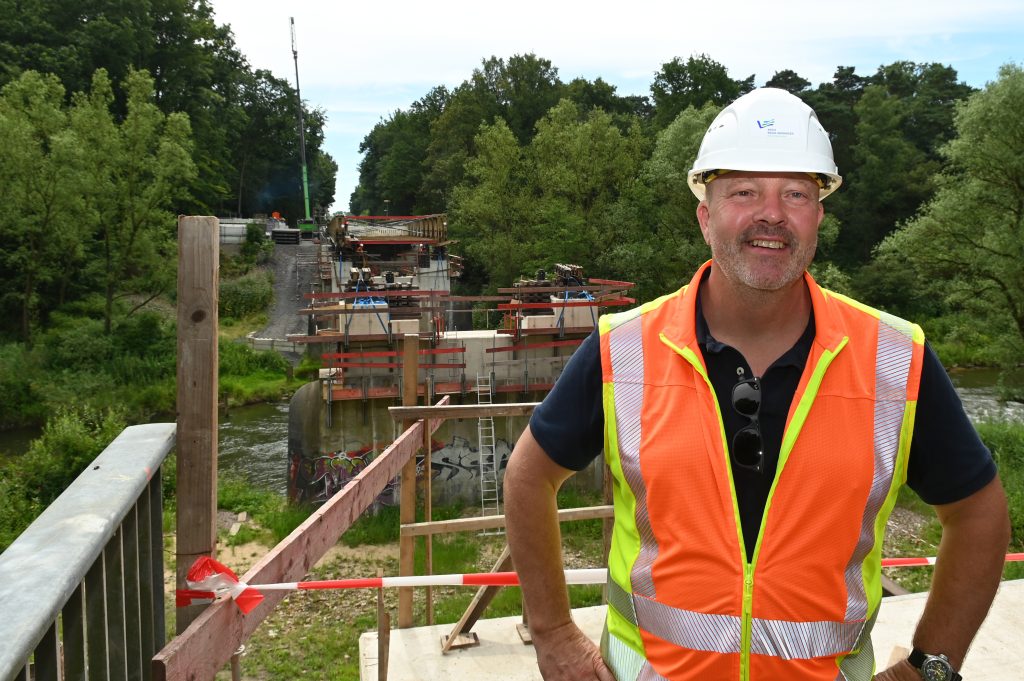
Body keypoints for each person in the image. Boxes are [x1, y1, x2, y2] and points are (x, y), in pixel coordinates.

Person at [503, 88, 1010, 681]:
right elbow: (528, 475)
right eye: (744, 192)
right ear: (705, 215)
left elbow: (978, 513)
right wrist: (555, 635)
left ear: (818, 216)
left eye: (795, 193)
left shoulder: (894, 359)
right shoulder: (624, 349)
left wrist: (930, 666)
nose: (771, 214)